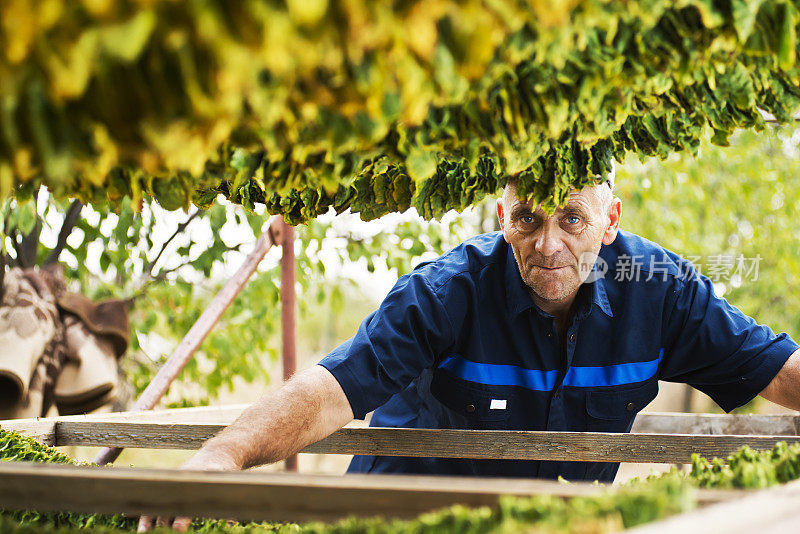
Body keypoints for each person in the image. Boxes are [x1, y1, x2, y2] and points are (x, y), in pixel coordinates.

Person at [139, 171, 800, 531]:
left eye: (571, 219)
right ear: (500, 214)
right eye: (528, 218)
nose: (548, 245)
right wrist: (224, 452)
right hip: (406, 521)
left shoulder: (660, 291)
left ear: (611, 218)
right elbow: (330, 389)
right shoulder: (444, 291)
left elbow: (773, 367)